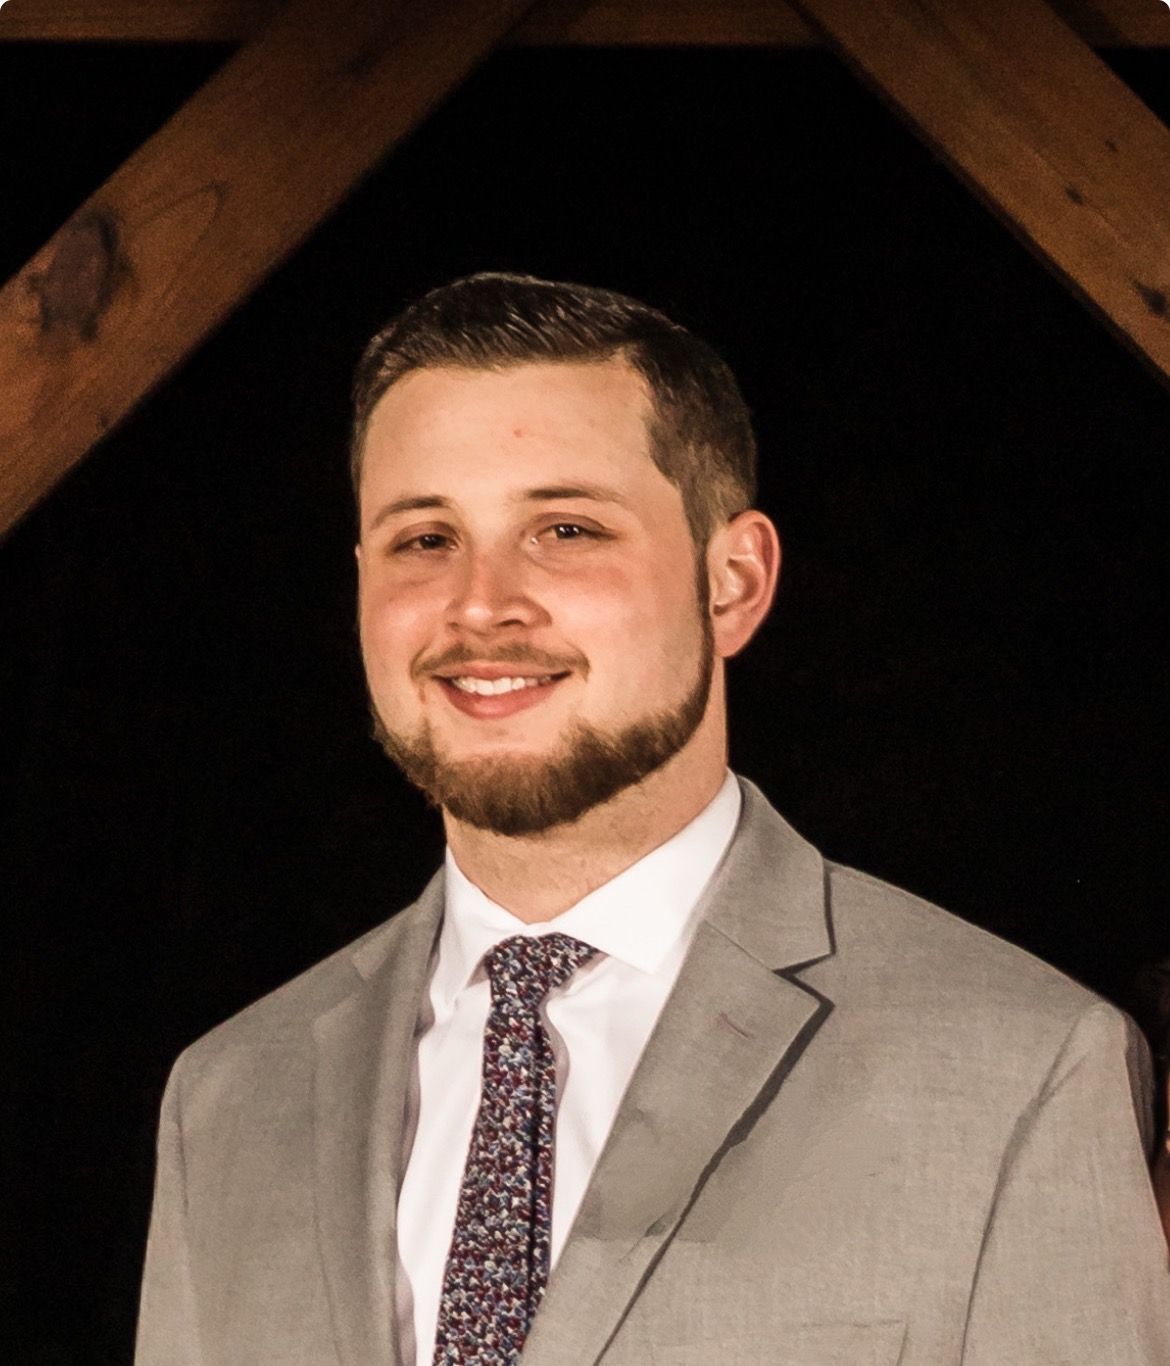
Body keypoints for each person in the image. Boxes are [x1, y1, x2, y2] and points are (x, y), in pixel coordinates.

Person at [136, 274, 1170, 1366]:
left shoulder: (1019, 1070)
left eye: (565, 528)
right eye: (425, 540)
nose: (480, 603)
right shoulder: (227, 1098)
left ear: (733, 583)